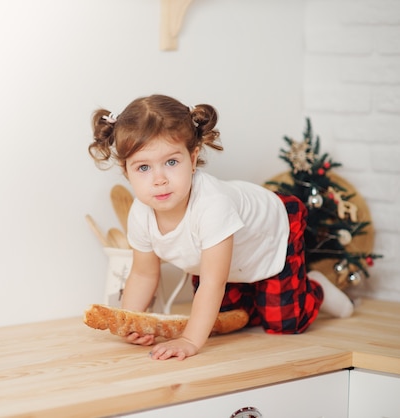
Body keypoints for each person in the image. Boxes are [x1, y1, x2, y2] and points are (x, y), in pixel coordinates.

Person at [88, 94, 353, 361]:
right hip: (228, 262)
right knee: (230, 321)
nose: (159, 180)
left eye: (171, 162)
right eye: (143, 167)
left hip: (272, 231)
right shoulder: (140, 214)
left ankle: (314, 288)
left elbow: (213, 283)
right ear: (126, 172)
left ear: (192, 160)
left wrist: (190, 340)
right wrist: (130, 322)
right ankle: (257, 292)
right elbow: (144, 274)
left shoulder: (212, 205)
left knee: (284, 323)